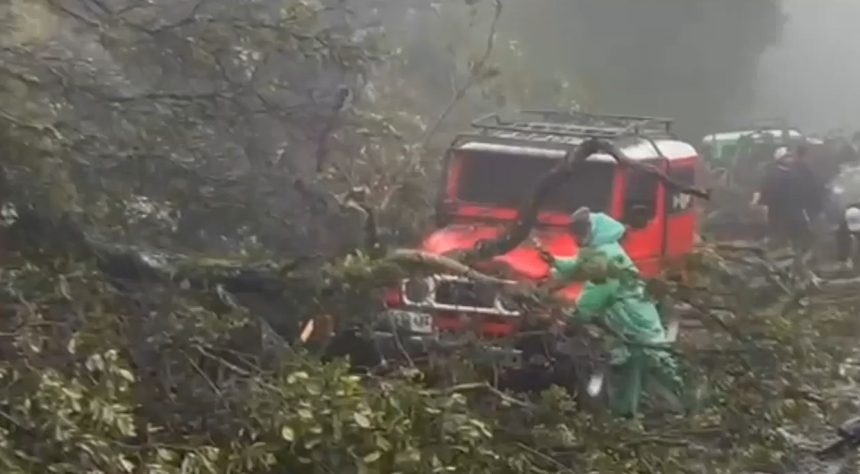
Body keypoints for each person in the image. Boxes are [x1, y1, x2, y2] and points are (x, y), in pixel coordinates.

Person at [541, 207, 683, 418]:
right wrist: (554, 262)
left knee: (652, 363)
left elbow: (598, 292)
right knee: (630, 366)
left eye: (580, 231)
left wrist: (575, 317)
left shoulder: (607, 255)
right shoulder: (598, 250)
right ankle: (632, 414)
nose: (576, 237)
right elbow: (579, 267)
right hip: (623, 320)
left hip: (634, 320)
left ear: (593, 229)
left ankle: (674, 408)